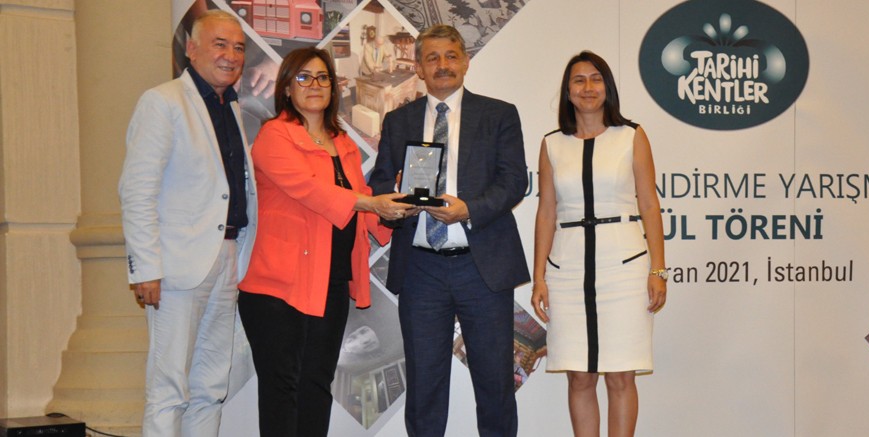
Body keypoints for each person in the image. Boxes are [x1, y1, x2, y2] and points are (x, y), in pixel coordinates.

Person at [236, 47, 411, 436]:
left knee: (316, 386)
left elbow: (364, 204)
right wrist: (371, 202)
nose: (314, 85)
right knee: (283, 391)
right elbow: (310, 190)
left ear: (333, 86)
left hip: (329, 283)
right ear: (286, 87)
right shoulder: (273, 136)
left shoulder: (343, 142)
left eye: (323, 77)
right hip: (277, 287)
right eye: (303, 77)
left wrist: (397, 209)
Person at [368, 24, 530, 437]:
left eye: (451, 56)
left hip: (482, 267)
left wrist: (468, 210)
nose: (443, 65)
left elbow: (514, 181)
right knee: (424, 386)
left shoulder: (499, 115)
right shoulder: (398, 120)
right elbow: (381, 183)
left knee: (495, 384)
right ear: (419, 68)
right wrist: (395, 204)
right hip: (421, 270)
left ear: (466, 62)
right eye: (432, 58)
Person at [119, 10, 256, 436]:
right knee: (168, 389)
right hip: (176, 267)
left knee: (211, 388)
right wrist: (146, 268)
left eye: (238, 47)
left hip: (227, 258)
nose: (231, 55)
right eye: (220, 44)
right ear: (191, 49)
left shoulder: (230, 108)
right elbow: (137, 190)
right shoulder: (162, 102)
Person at [531, 51, 668, 437]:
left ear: (607, 87)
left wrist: (658, 269)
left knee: (621, 377)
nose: (588, 87)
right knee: (579, 377)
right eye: (579, 80)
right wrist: (539, 277)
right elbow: (546, 213)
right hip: (568, 271)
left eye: (596, 79)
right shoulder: (552, 144)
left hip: (624, 269)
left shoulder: (631, 136)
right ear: (567, 91)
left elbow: (649, 205)